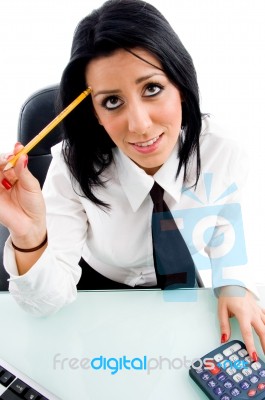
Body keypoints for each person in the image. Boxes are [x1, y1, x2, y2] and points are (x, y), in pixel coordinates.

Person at [0, 0, 264, 360]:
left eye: (152, 89)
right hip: (95, 281)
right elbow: (45, 304)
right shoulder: (70, 167)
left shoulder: (223, 152)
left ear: (181, 85)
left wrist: (232, 281)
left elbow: (222, 220)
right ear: (93, 111)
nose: (139, 125)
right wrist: (29, 236)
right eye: (111, 101)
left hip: (181, 284)